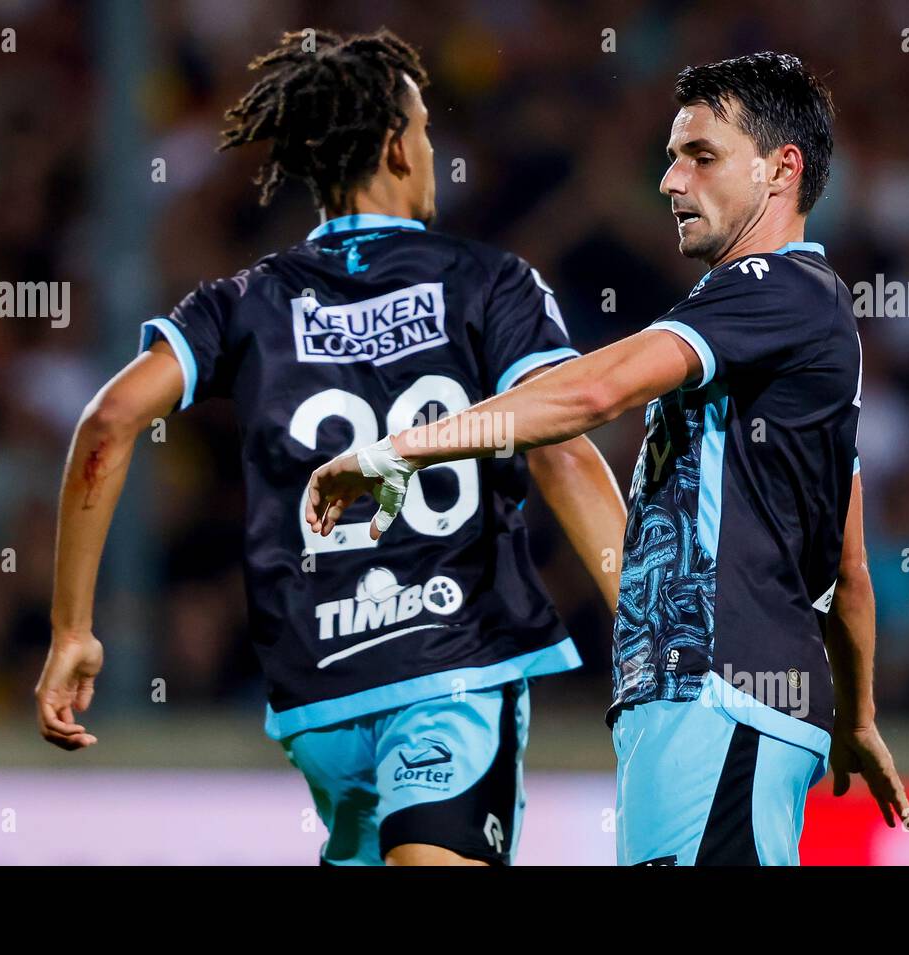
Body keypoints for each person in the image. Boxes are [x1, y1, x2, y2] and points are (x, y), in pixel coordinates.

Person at [34, 29, 625, 867]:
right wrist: (649, 627)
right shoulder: (491, 282)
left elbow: (106, 422)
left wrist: (72, 630)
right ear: (395, 144)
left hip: (320, 699)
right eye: (423, 131)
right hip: (448, 669)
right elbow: (559, 446)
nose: (429, 148)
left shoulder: (245, 300)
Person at [307, 52, 909, 865]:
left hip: (722, 698)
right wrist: (857, 718)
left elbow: (596, 391)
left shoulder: (781, 288)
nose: (670, 181)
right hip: (714, 707)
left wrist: (405, 446)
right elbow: (850, 566)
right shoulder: (790, 333)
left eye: (700, 156)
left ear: (781, 169)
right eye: (670, 157)